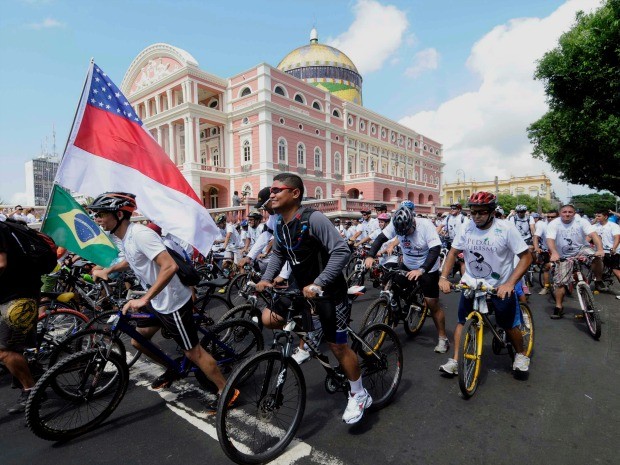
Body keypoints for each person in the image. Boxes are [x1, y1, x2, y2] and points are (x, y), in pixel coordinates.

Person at [89, 192, 235, 410]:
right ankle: (174, 368)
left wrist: (144, 298)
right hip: (158, 299)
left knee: (193, 352)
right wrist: (108, 270)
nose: (97, 218)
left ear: (119, 214)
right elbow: (131, 260)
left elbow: (170, 266)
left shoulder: (140, 234)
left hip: (172, 301)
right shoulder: (125, 236)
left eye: (101, 214)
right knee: (138, 340)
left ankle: (226, 390)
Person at [255, 173, 372, 425]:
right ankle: (311, 335)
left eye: (277, 190)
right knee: (269, 318)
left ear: (295, 193)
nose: (271, 194)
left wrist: (319, 283)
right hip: (301, 290)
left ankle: (359, 394)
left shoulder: (313, 218)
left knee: (338, 347)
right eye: (271, 190)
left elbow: (342, 251)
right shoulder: (279, 224)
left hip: (329, 291)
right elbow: (278, 252)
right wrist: (267, 277)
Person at [438, 192, 533, 375]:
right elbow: (452, 253)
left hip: (500, 285)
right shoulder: (466, 227)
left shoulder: (506, 228)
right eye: (473, 212)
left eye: (481, 212)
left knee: (508, 324)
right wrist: (443, 278)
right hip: (471, 283)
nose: (476, 216)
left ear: (491, 212)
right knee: (462, 321)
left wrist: (510, 283)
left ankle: (521, 355)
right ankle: (456, 361)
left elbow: (526, 257)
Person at [365, 203, 449, 352]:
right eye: (401, 232)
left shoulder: (425, 225)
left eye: (408, 231)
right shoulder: (396, 223)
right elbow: (380, 239)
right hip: (408, 264)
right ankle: (394, 314)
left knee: (432, 304)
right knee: (390, 285)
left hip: (427, 267)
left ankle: (443, 338)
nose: (405, 234)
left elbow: (435, 249)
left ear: (413, 222)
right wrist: (370, 256)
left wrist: (422, 270)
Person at [0, 218, 42, 413]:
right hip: (8, 294)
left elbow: (1, 264)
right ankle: (28, 369)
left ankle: (31, 391)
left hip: (17, 297)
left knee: (5, 351)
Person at [546, 204, 605, 318]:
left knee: (597, 257)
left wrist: (600, 249)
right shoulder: (554, 224)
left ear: (574, 213)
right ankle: (558, 307)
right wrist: (554, 252)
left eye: (570, 212)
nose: (567, 214)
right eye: (564, 212)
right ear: (560, 213)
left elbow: (594, 235)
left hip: (581, 249)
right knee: (560, 283)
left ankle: (598, 280)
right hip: (563, 254)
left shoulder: (581, 222)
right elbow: (550, 239)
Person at [593, 210, 620, 299]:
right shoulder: (595, 226)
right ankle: (599, 281)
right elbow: (588, 236)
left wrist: (614, 248)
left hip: (613, 250)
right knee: (595, 262)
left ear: (606, 217)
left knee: (615, 270)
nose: (597, 218)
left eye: (599, 216)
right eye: (596, 216)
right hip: (601, 250)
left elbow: (617, 238)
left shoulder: (613, 226)